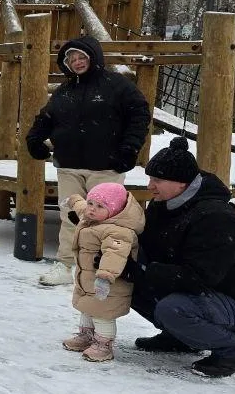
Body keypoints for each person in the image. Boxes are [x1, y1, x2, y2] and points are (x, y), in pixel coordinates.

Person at [127, 137, 235, 378]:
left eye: (157, 180)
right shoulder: (164, 204)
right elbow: (145, 244)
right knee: (128, 283)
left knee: (171, 308)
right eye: (151, 178)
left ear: (182, 183)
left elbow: (199, 277)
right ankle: (181, 337)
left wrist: (140, 272)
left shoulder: (215, 217)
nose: (150, 186)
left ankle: (234, 349)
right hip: (200, 291)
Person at [26, 36, 151, 287]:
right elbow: (46, 118)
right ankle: (65, 265)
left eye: (82, 57)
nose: (77, 62)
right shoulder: (65, 91)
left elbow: (139, 114)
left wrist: (129, 148)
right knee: (70, 215)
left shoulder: (116, 86)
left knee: (105, 218)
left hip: (106, 166)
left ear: (93, 57)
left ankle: (104, 266)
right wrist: (35, 138)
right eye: (71, 59)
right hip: (69, 165)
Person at [61, 182, 145, 362]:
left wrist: (105, 277)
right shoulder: (93, 216)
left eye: (100, 206)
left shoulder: (118, 231)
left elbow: (114, 255)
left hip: (108, 284)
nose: (91, 209)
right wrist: (73, 200)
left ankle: (103, 345)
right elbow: (81, 206)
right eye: (91, 203)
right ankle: (86, 336)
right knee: (86, 308)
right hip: (88, 279)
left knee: (102, 313)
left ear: (114, 210)